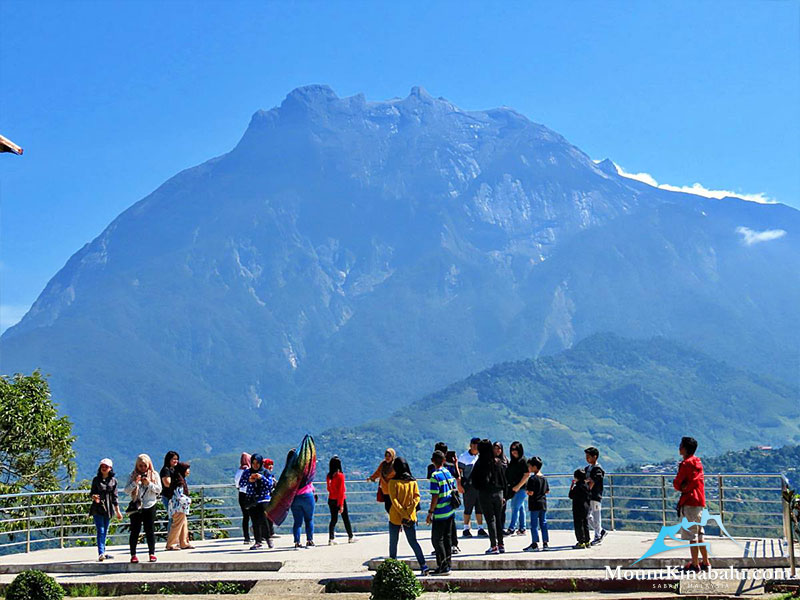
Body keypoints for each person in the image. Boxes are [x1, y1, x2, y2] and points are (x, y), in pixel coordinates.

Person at [387, 457, 429, 577]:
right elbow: (417, 497)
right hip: (410, 517)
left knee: (393, 542)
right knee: (413, 542)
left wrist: (402, 514)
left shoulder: (393, 482)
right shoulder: (413, 481)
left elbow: (394, 501)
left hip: (395, 516)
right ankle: (423, 565)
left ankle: (392, 567)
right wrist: (409, 512)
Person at [673, 436, 709, 572]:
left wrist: (681, 486)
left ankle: (695, 564)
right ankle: (705, 561)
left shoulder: (686, 464)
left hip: (689, 501)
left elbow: (678, 483)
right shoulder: (698, 463)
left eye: (681, 445)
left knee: (691, 535)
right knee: (700, 533)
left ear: (685, 449)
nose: (679, 447)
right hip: (699, 501)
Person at [124, 454, 162, 563]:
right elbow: (126, 490)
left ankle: (152, 553)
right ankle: (133, 555)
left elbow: (159, 489)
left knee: (150, 530)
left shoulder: (154, 475)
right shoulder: (132, 475)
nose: (143, 468)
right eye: (140, 466)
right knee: (135, 531)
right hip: (136, 505)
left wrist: (149, 484)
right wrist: (135, 482)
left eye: (145, 466)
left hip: (150, 505)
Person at [471, 439, 507, 554]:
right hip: (499, 493)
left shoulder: (479, 463)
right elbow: (503, 479)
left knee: (490, 519)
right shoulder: (497, 462)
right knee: (499, 519)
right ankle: (501, 544)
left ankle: (493, 545)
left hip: (485, 494)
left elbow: (474, 481)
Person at [426, 450, 457, 576]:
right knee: (447, 538)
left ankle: (443, 566)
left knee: (436, 540)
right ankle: (448, 565)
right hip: (449, 510)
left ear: (433, 461)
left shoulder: (435, 476)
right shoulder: (447, 472)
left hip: (440, 512)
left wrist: (430, 512)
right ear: (444, 460)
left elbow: (435, 496)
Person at [89, 458, 122, 561]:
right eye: (102, 466)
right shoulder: (96, 480)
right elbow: (92, 493)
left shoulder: (114, 481)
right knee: (101, 530)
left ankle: (103, 550)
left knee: (105, 530)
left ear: (110, 468)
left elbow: (115, 497)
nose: (104, 468)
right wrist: (94, 497)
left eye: (106, 467)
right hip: (98, 507)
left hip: (108, 508)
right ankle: (101, 552)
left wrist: (117, 511)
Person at [243, 453, 275, 550]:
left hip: (263, 499)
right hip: (252, 499)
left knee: (263, 519)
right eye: (253, 463)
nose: (255, 465)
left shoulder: (266, 472)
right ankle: (258, 541)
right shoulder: (247, 472)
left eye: (257, 463)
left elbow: (270, 485)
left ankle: (268, 537)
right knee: (255, 520)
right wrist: (249, 480)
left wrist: (261, 478)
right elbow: (241, 483)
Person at [457, 438, 486, 538]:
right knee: (468, 507)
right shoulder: (463, 457)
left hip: (480, 486)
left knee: (479, 508)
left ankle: (480, 528)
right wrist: (459, 485)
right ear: (470, 445)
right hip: (468, 486)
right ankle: (466, 528)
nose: (475, 446)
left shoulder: (481, 456)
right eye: (473, 444)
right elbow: (459, 473)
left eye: (477, 444)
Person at [326, 456, 355, 544]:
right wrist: (341, 504)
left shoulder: (329, 476)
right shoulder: (340, 476)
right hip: (339, 500)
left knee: (333, 519)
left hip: (331, 499)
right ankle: (350, 536)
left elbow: (328, 488)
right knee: (345, 518)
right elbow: (341, 491)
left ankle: (331, 538)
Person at [166, 462, 194, 550]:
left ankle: (183, 542)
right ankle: (171, 544)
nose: (188, 471)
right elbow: (179, 494)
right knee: (177, 525)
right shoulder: (179, 480)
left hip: (178, 506)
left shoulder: (178, 478)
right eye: (187, 469)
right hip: (178, 506)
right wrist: (189, 500)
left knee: (183, 524)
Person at [291, 451, 316, 549]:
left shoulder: (290, 472)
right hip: (307, 496)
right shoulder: (306, 470)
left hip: (295, 498)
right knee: (309, 519)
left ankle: (297, 542)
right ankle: (309, 541)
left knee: (297, 522)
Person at [524, 456, 549, 552]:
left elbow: (531, 492)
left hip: (534, 504)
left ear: (534, 467)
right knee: (543, 523)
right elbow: (547, 491)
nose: (529, 468)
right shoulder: (544, 478)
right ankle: (545, 543)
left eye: (530, 466)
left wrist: (527, 492)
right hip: (543, 503)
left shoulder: (532, 479)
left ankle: (535, 544)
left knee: (534, 524)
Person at [505, 441, 529, 536]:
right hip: (514, 487)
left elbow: (527, 474)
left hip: (521, 488)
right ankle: (522, 528)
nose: (513, 452)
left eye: (515, 450)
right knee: (520, 507)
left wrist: (518, 486)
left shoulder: (523, 461)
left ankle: (512, 528)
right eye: (512, 450)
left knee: (515, 507)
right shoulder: (513, 461)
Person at [584, 446, 607, 545]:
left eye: (589, 456)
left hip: (596, 495)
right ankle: (601, 531)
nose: (587, 458)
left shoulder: (598, 469)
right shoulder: (587, 468)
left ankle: (597, 535)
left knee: (596, 516)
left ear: (595, 457)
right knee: (587, 516)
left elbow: (595, 480)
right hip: (588, 495)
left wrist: (589, 483)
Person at [444, 451, 461, 554]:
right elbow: (458, 476)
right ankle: (453, 545)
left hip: (442, 500)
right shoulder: (450, 468)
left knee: (443, 525)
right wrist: (455, 464)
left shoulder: (436, 469)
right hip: (450, 497)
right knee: (451, 522)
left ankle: (448, 546)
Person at [368, 448, 396, 514]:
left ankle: (396, 523)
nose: (387, 457)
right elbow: (378, 472)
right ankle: (394, 522)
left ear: (393, 456)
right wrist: (371, 478)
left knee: (395, 508)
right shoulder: (383, 464)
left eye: (389, 456)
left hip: (394, 490)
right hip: (385, 490)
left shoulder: (395, 465)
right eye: (386, 456)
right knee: (388, 507)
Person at [568, 469, 591, 549]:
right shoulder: (586, 486)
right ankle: (587, 541)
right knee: (585, 523)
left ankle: (581, 542)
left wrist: (571, 486)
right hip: (586, 507)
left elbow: (571, 496)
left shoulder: (577, 487)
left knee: (578, 524)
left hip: (578, 508)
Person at [235, 453, 252, 544]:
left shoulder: (239, 471)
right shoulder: (249, 470)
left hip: (241, 494)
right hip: (250, 494)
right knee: (254, 515)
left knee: (245, 517)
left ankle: (246, 537)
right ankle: (258, 535)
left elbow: (237, 484)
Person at [160, 451, 180, 530]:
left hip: (174, 497)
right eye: (174, 459)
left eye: (177, 459)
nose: (176, 461)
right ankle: (171, 538)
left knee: (176, 518)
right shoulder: (166, 470)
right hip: (168, 497)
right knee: (172, 518)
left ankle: (175, 538)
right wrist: (177, 483)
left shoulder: (174, 469)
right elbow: (167, 483)